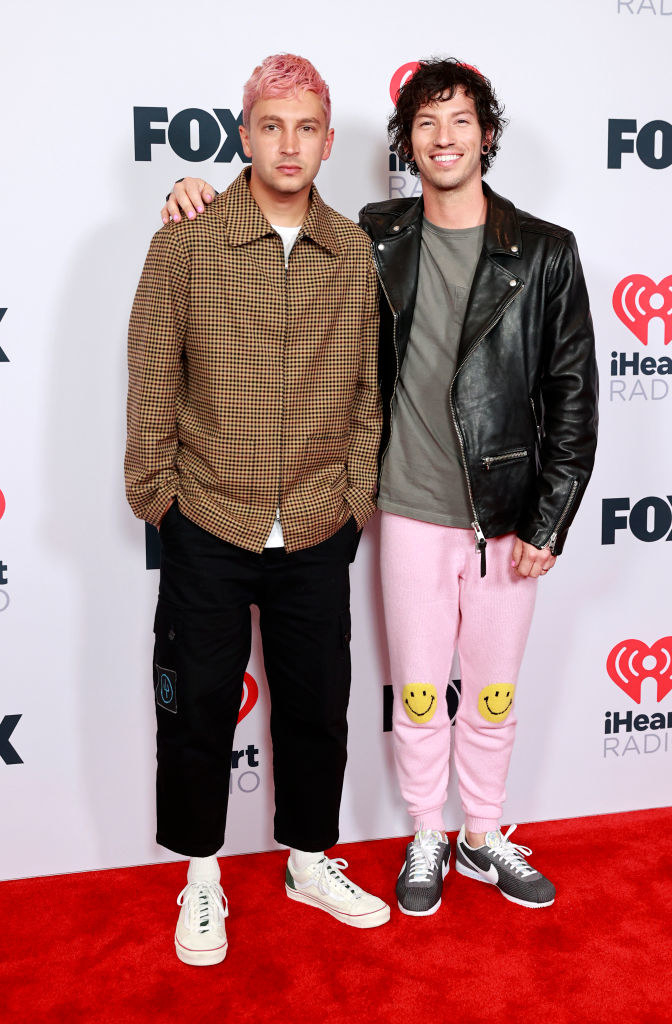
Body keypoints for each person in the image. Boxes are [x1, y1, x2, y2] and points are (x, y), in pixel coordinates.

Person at [162, 58, 598, 919]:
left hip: (506, 516)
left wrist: (551, 515)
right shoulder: (374, 234)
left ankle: (484, 833)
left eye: (461, 120)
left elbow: (573, 395)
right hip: (403, 508)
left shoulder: (545, 251)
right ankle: (427, 834)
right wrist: (192, 190)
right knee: (421, 690)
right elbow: (275, 215)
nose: (444, 137)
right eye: (427, 123)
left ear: (485, 134)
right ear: (405, 143)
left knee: (495, 688)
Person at [126, 53, 387, 968]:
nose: (289, 143)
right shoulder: (186, 242)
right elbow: (152, 379)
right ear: (243, 133)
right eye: (270, 125)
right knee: (197, 708)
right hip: (206, 516)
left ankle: (309, 860)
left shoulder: (353, 251)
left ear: (326, 139)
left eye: (306, 127)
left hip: (318, 518)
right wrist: (155, 499)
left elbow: (368, 393)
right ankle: (200, 879)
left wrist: (354, 501)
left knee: (318, 706)